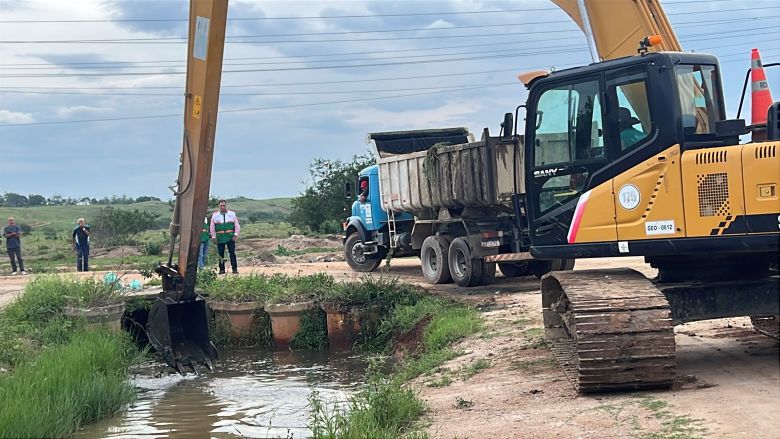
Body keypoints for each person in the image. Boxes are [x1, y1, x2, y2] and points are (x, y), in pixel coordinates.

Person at [210, 199, 240, 274]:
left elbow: (237, 225)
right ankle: (222, 269)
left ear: (225, 205)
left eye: (224, 205)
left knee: (232, 253)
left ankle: (235, 269)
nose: (222, 207)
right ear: (219, 206)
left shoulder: (232, 214)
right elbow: (212, 227)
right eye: (221, 206)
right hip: (220, 238)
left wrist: (235, 235)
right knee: (220, 254)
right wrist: (213, 236)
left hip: (230, 237)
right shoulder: (215, 215)